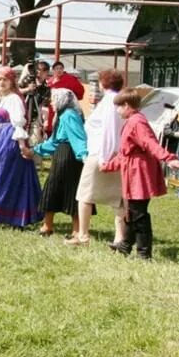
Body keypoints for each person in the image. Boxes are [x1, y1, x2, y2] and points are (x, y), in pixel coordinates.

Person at [101, 90, 179, 259]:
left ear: (127, 106)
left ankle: (144, 252)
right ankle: (125, 246)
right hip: (133, 170)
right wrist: (108, 166)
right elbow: (124, 154)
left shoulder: (137, 122)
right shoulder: (132, 121)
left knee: (139, 213)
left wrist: (168, 158)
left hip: (139, 173)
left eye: (119, 107)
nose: (117, 111)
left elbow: (150, 143)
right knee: (131, 211)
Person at [0, 66, 42, 228]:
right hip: (2, 140)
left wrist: (21, 146)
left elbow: (18, 124)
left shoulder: (15, 99)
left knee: (3, 178)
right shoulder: (5, 98)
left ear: (12, 82)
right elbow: (0, 125)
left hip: (10, 143)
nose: (1, 82)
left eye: (5, 79)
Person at [67, 70, 128, 247]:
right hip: (111, 153)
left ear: (103, 83)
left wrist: (104, 157)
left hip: (102, 153)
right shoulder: (115, 100)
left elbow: (109, 131)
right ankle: (119, 237)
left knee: (85, 194)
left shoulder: (110, 102)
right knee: (117, 198)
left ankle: (83, 235)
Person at [34, 88, 88, 237]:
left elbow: (78, 137)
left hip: (69, 157)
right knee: (52, 188)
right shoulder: (62, 115)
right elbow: (54, 141)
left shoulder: (69, 115)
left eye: (53, 99)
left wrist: (83, 155)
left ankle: (76, 230)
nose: (51, 102)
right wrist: (36, 149)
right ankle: (47, 226)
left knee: (72, 191)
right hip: (61, 154)